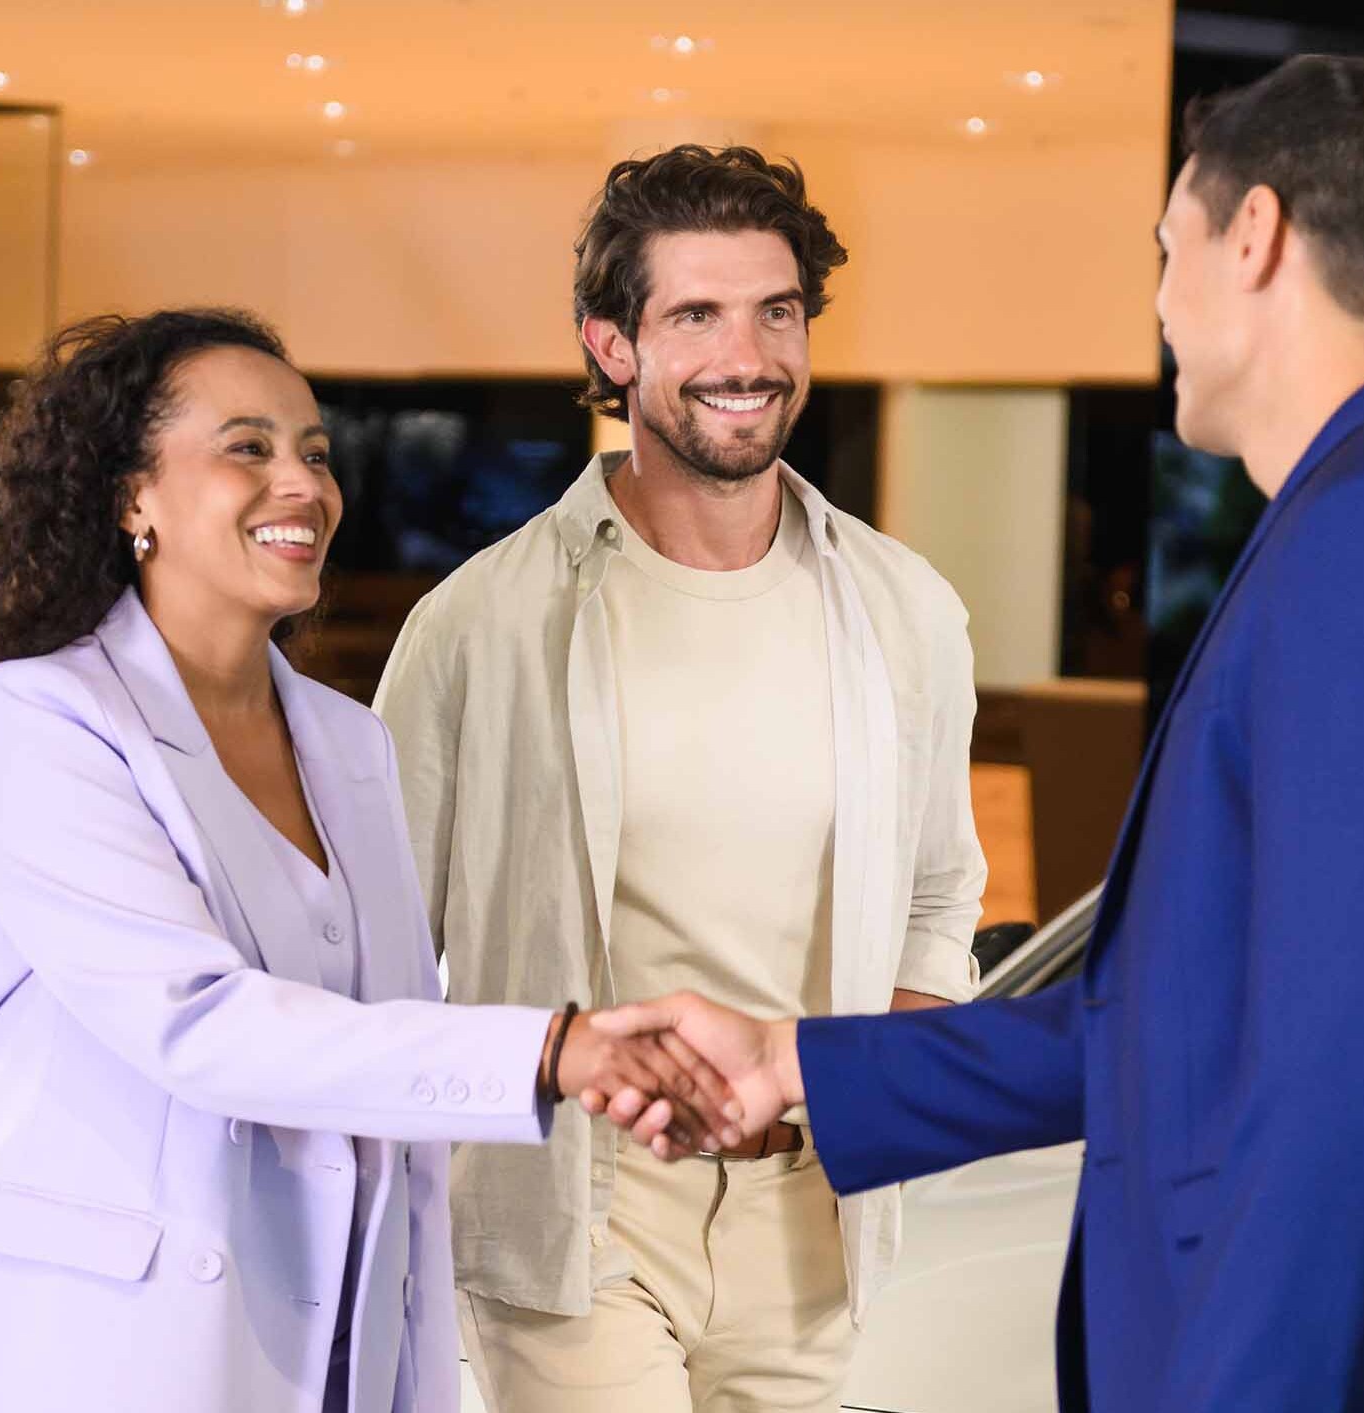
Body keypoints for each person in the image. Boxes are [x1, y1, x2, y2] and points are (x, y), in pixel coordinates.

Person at [599, 56, 1364, 1413]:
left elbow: (1347, 1078)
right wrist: (794, 1061)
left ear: (1255, 236)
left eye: (1166, 249)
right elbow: (1175, 1022)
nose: (1159, 302)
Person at [0, 309, 734, 1413]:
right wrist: (552, 1052)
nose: (304, 484)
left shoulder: (350, 742)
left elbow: (391, 1083)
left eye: (316, 453)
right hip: (104, 1344)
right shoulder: (43, 718)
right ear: (129, 494)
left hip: (330, 1343)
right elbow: (197, 1024)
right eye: (248, 448)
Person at [373, 145, 987, 1413]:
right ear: (612, 346)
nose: (745, 354)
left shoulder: (904, 611)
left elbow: (937, 901)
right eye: (695, 314)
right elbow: (381, 943)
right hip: (574, 1211)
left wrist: (887, 1097)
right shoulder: (479, 624)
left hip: (812, 1215)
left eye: (776, 310)